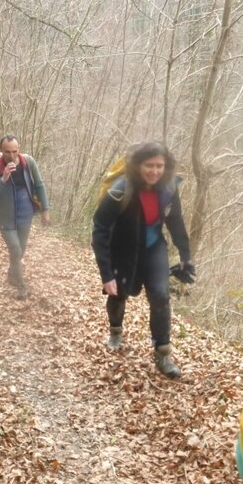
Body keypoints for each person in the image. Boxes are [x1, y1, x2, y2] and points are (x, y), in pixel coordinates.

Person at [91, 141, 193, 378]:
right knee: (118, 293)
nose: (155, 171)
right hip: (122, 249)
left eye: (160, 166)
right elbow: (100, 229)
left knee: (160, 296)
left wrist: (185, 255)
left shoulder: (168, 188)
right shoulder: (120, 189)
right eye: (149, 165)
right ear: (138, 165)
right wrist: (106, 275)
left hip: (153, 247)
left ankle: (163, 352)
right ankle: (116, 331)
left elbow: (175, 221)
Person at [0, 134, 50, 300]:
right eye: (7, 152)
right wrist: (3, 178)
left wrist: (45, 210)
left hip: (26, 214)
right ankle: (21, 286)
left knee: (21, 249)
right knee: (15, 248)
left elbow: (39, 185)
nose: (11, 156)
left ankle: (12, 271)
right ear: (0, 150)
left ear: (19, 149)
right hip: (5, 216)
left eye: (14, 151)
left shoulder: (28, 162)